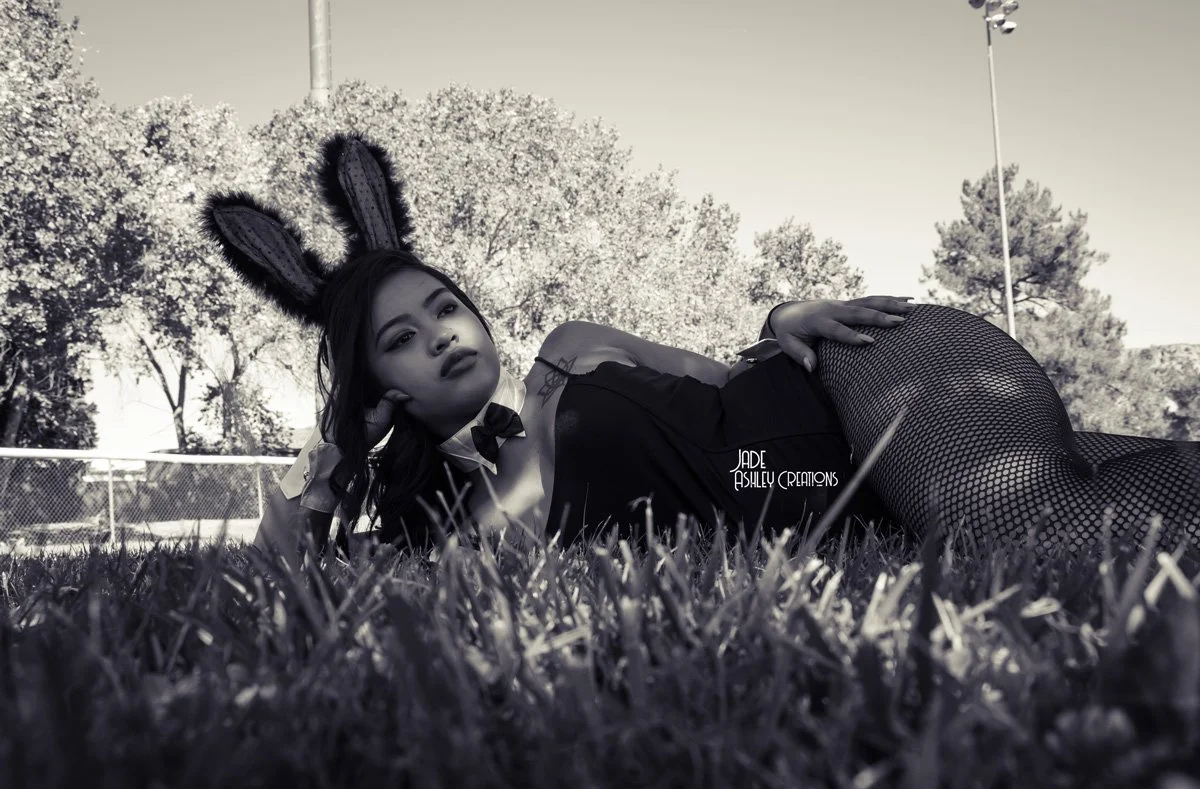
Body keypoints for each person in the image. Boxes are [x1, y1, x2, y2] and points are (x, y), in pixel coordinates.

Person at [203, 134, 1200, 568]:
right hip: (854, 484)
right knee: (1144, 487)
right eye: (403, 341)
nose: (445, 334)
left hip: (874, 383)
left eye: (445, 305)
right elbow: (284, 574)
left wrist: (780, 323)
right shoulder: (447, 528)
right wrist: (337, 456)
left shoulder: (569, 350)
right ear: (383, 385)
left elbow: (727, 375)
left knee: (1037, 526)